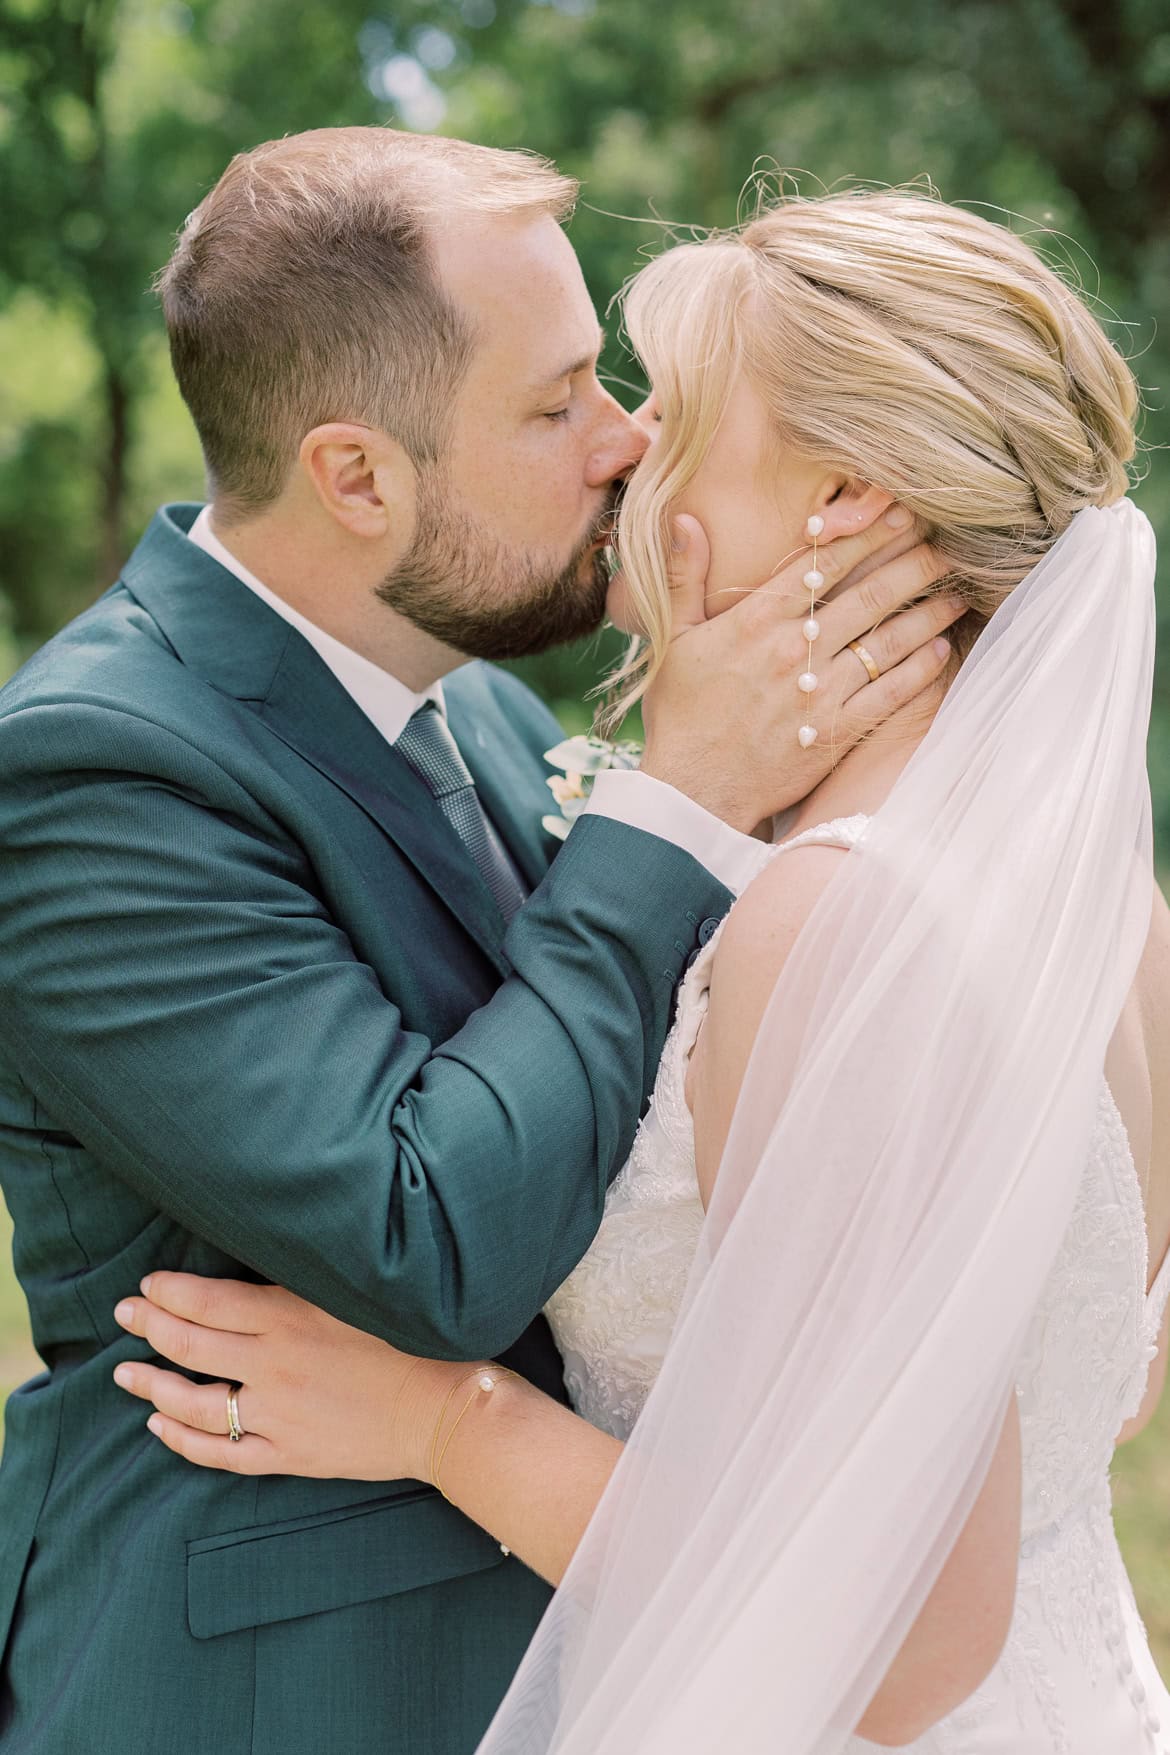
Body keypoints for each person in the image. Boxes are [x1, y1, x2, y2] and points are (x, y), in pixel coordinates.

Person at [116, 189, 1170, 1753]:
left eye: (667, 417)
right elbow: (1092, 1391)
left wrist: (441, 1420)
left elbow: (899, 1642)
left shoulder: (838, 925)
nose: (616, 450)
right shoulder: (1107, 899)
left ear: (845, 503)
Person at [0, 135, 953, 1754]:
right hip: (270, 1692)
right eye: (556, 400)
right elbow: (423, 1242)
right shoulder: (93, 771)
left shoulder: (499, 721)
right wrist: (682, 804)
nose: (627, 439)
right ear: (356, 474)